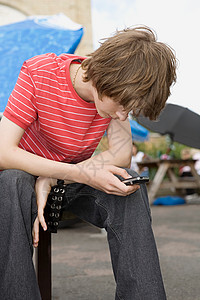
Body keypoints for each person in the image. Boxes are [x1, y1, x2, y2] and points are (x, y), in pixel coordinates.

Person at [0, 26, 177, 299]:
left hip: (69, 180)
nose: (122, 116)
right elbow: (4, 152)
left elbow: (120, 155)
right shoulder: (40, 72)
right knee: (12, 181)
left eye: (129, 110)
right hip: (22, 180)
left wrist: (60, 177)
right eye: (122, 105)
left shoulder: (115, 96)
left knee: (127, 181)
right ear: (103, 79)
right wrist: (72, 172)